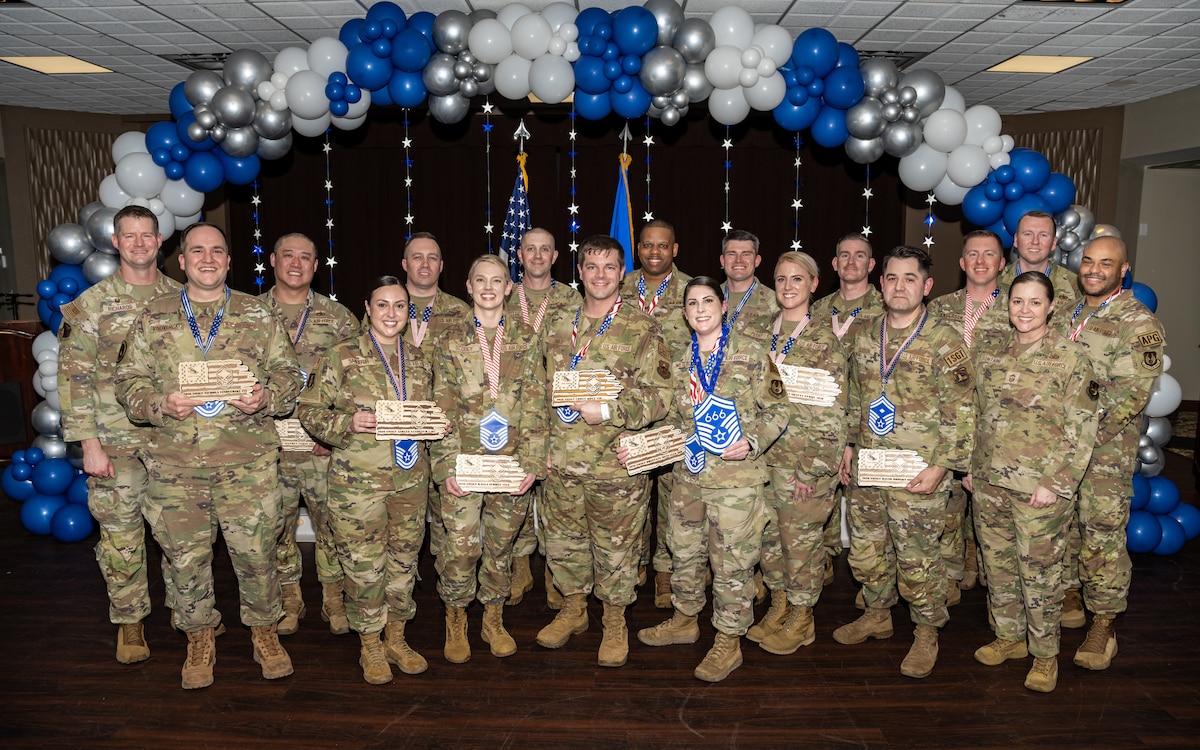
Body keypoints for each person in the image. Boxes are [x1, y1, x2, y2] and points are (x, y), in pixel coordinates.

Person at [115, 222, 302, 690]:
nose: (207, 258)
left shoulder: (258, 315)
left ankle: (264, 633)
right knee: (185, 561)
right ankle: (199, 638)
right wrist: (161, 404)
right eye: (197, 251)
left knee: (257, 556)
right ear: (180, 261)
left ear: (228, 260)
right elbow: (128, 382)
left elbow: (290, 374)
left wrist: (267, 398)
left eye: (217, 251)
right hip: (176, 468)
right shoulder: (154, 317)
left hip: (248, 466)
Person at [632, 276, 788, 681]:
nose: (700, 309)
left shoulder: (752, 354)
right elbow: (669, 416)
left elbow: (779, 411)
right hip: (688, 476)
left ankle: (727, 641)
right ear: (684, 313)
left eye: (708, 301)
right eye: (692, 303)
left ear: (722, 306)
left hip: (736, 481)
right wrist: (643, 446)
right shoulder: (678, 361)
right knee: (683, 554)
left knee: (732, 564)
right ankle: (685, 620)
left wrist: (752, 441)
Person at [832, 245, 975, 679]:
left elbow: (963, 408)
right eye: (892, 277)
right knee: (867, 550)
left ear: (927, 286)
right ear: (881, 283)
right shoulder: (864, 331)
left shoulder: (945, 340)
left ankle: (927, 630)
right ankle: (877, 613)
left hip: (918, 470)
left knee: (917, 559)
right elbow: (856, 394)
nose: (899, 286)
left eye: (910, 278)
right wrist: (850, 446)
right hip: (870, 468)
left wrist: (943, 466)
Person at [536, 234, 672, 668]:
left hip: (615, 465)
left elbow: (661, 396)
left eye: (609, 267)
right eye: (591, 267)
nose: (600, 275)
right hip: (560, 463)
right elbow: (534, 392)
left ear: (622, 273)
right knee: (564, 545)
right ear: (579, 272)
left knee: (616, 552)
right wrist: (541, 450)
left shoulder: (641, 327)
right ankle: (574, 609)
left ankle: (615, 621)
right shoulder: (556, 323)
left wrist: (610, 410)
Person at [58, 204, 182, 664]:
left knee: (179, 534)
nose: (139, 243)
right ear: (115, 242)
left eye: (146, 235)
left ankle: (184, 609)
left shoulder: (182, 297)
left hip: (173, 439)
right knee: (122, 538)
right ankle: (130, 622)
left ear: (159, 240)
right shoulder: (92, 305)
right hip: (114, 441)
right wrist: (88, 445)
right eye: (129, 236)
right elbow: (72, 378)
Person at [297, 276, 436, 685]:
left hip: (410, 480)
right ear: (368, 308)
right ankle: (370, 644)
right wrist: (348, 421)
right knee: (364, 568)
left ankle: (397, 637)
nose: (391, 314)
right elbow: (309, 411)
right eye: (383, 305)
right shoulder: (340, 356)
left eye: (399, 306)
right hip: (358, 483)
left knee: (404, 563)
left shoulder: (420, 359)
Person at [966, 271, 1098, 693]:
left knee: (1039, 574)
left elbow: (1082, 428)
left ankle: (1044, 656)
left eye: (1034, 302)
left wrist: (1056, 483)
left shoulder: (1070, 357)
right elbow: (973, 413)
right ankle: (1009, 637)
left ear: (1052, 306)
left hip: (1038, 487)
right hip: (988, 480)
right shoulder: (989, 352)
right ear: (1006, 306)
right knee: (998, 566)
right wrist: (967, 466)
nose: (1025, 310)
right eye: (1017, 301)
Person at [430, 255, 546, 663]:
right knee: (461, 547)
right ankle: (456, 616)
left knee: (500, 547)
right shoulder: (447, 338)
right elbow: (438, 405)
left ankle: (493, 618)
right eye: (480, 280)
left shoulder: (527, 337)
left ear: (509, 287)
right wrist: (444, 466)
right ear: (467, 285)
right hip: (464, 462)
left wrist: (532, 462)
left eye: (497, 280)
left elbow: (535, 402)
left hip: (510, 463)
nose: (489, 287)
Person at [1059, 236, 1165, 671]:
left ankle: (1104, 624)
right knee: (1062, 528)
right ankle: (1069, 594)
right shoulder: (1066, 313)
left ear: (1124, 270)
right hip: (1058, 451)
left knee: (1102, 536)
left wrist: (1076, 441)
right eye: (1088, 261)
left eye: (1106, 263)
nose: (1094, 269)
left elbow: (1130, 398)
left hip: (1103, 453)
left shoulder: (1139, 324)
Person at [746, 252, 849, 655]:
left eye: (797, 279)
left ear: (813, 285)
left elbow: (835, 413)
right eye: (781, 279)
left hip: (803, 463)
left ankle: (803, 618)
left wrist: (814, 472)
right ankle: (780, 603)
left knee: (800, 547)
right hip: (762, 461)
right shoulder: (756, 332)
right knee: (770, 542)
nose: (788, 287)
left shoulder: (824, 341)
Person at [261, 232, 359, 637]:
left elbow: (359, 382)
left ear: (316, 266)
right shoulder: (248, 314)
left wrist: (333, 433)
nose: (296, 264)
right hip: (268, 448)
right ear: (272, 260)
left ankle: (333, 600)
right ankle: (290, 601)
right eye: (288, 256)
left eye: (306, 257)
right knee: (276, 529)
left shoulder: (338, 318)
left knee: (331, 527)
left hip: (322, 447)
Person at [926, 230, 1010, 598]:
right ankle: (950, 574)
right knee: (948, 501)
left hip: (999, 425)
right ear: (961, 263)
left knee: (993, 507)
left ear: (1002, 263)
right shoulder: (939, 309)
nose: (980, 261)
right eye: (972, 254)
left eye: (988, 254)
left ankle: (991, 574)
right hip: (950, 420)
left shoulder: (1017, 307)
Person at [620, 220, 693, 609]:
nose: (654, 252)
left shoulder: (693, 292)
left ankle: (666, 573)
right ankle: (635, 565)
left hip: (674, 414)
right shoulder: (618, 287)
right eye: (647, 245)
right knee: (631, 496)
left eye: (662, 246)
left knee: (671, 500)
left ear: (674, 250)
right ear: (638, 248)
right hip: (628, 411)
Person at [505, 227, 580, 608]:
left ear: (554, 256)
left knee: (555, 502)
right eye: (529, 249)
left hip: (560, 412)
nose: (536, 255)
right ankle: (520, 571)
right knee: (515, 494)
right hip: (511, 414)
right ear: (519, 255)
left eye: (544, 250)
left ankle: (555, 574)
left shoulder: (573, 299)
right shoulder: (502, 296)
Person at [809, 233, 885, 584]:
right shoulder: (816, 311)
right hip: (820, 424)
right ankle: (819, 566)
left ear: (871, 265)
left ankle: (875, 592)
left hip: (870, 426)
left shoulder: (888, 310)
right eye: (844, 256)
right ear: (835, 263)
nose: (851, 262)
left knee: (868, 516)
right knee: (817, 503)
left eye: (860, 256)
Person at [400, 232, 471, 565]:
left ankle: (450, 593)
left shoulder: (460, 312)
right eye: (417, 256)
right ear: (405, 264)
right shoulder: (386, 306)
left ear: (441, 266)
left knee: (449, 517)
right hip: (402, 432)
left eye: (431, 257)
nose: (424, 264)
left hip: (447, 430)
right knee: (403, 519)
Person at [997, 210, 1078, 307]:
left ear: (1053, 243)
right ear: (1016, 240)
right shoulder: (996, 282)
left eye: (1043, 235)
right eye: (1028, 234)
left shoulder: (1075, 286)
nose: (1035, 241)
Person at [719, 229, 779, 336]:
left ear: (757, 260)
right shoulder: (709, 298)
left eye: (746, 254)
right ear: (723, 260)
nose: (738, 260)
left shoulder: (775, 304)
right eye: (732, 254)